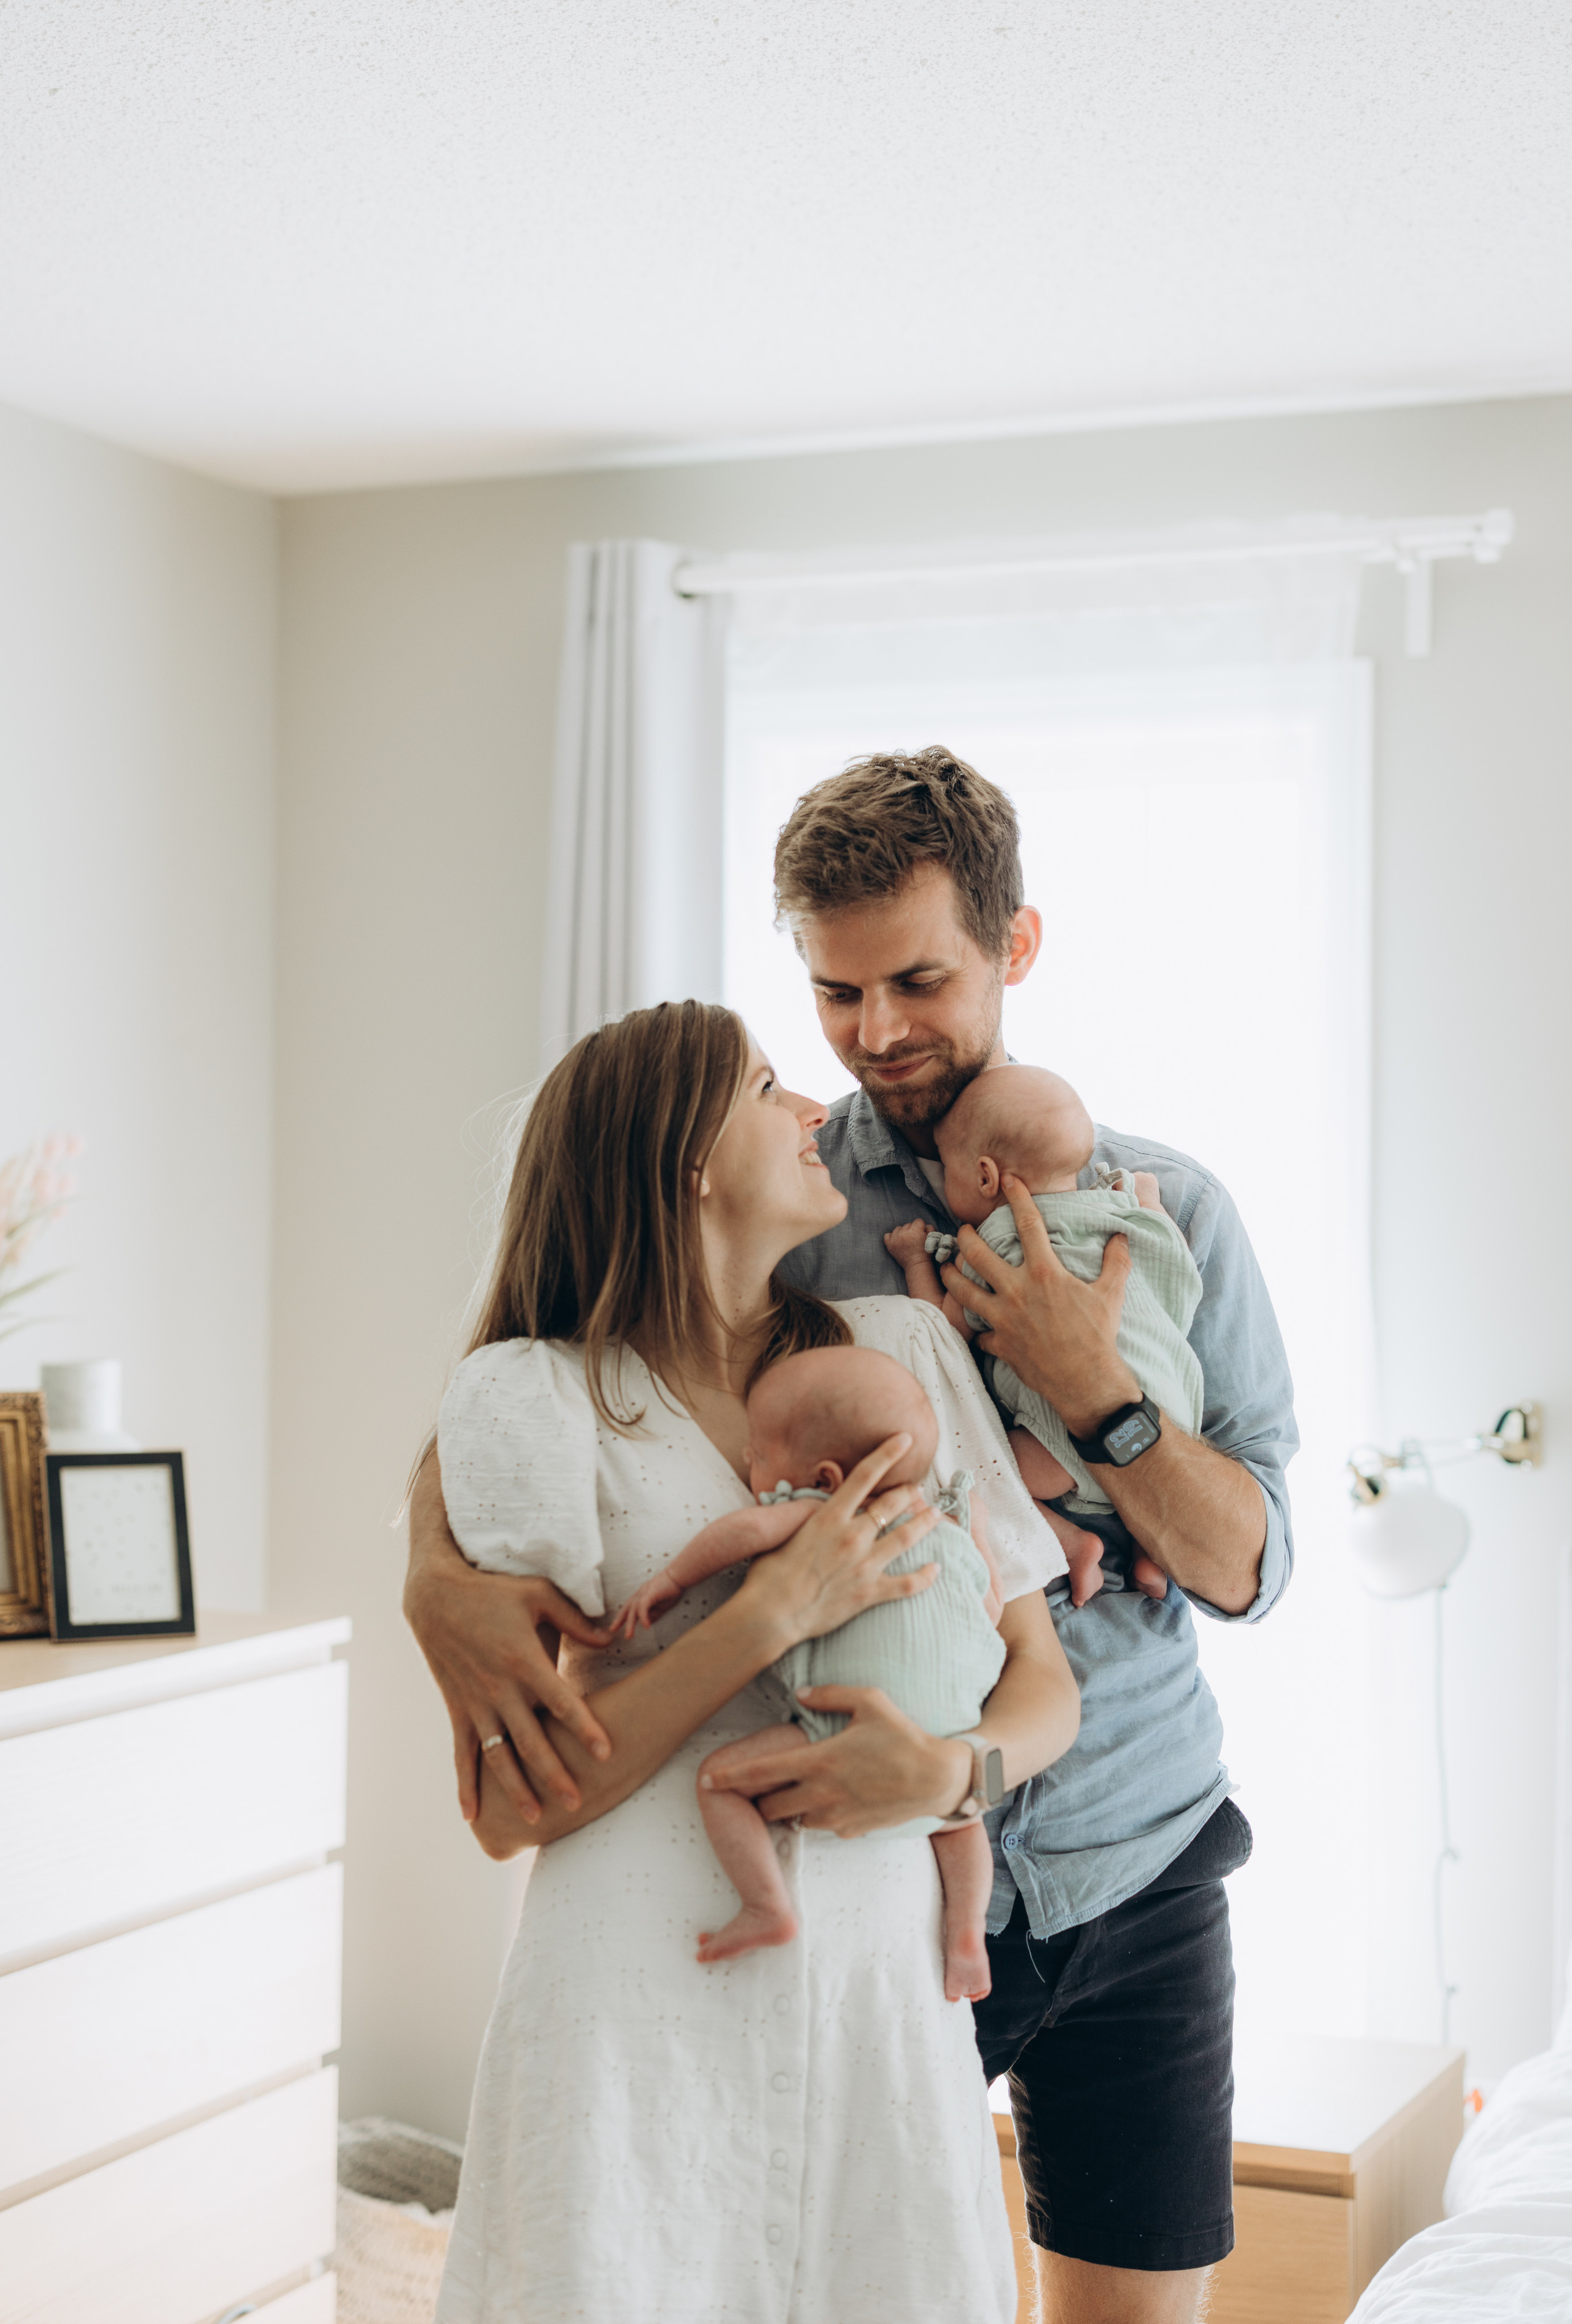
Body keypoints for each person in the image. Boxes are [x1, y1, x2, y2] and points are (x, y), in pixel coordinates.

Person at [406, 747, 1296, 2324]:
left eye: (916, 979)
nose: (873, 1034)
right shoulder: (801, 1212)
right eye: (832, 994)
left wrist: (1099, 1397)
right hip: (852, 1882)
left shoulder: (1163, 1216)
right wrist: (432, 1569)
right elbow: (562, 1352)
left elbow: (1243, 1564)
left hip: (1118, 1849)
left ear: (1013, 947)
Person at [421, 999, 1079, 2324]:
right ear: (685, 1160)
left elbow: (1039, 1681)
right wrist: (770, 1614)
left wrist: (956, 1776)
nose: (811, 1109)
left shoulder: (898, 1352)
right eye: (769, 1085)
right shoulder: (536, 1399)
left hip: (873, 2005)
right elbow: (508, 1809)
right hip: (632, 2002)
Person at [608, 1342, 1047, 1998]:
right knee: (961, 1826)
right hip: (945, 1751)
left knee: (719, 1784)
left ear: (825, 1475)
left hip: (839, 1733)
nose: (747, 1462)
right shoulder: (950, 1525)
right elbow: (986, 1607)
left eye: (757, 1453)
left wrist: (673, 1579)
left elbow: (741, 1535)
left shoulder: (820, 1515)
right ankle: (965, 1939)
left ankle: (767, 1906)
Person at [883, 1060, 1202, 1606]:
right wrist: (1145, 1199)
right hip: (1176, 1416)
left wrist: (917, 1260)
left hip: (1067, 1448)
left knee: (973, 1473)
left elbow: (943, 1333)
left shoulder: (1002, 1248)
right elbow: (1172, 1264)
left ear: (985, 1176)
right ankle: (1154, 1555)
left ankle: (1072, 1543)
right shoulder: (1118, 1214)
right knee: (1141, 1493)